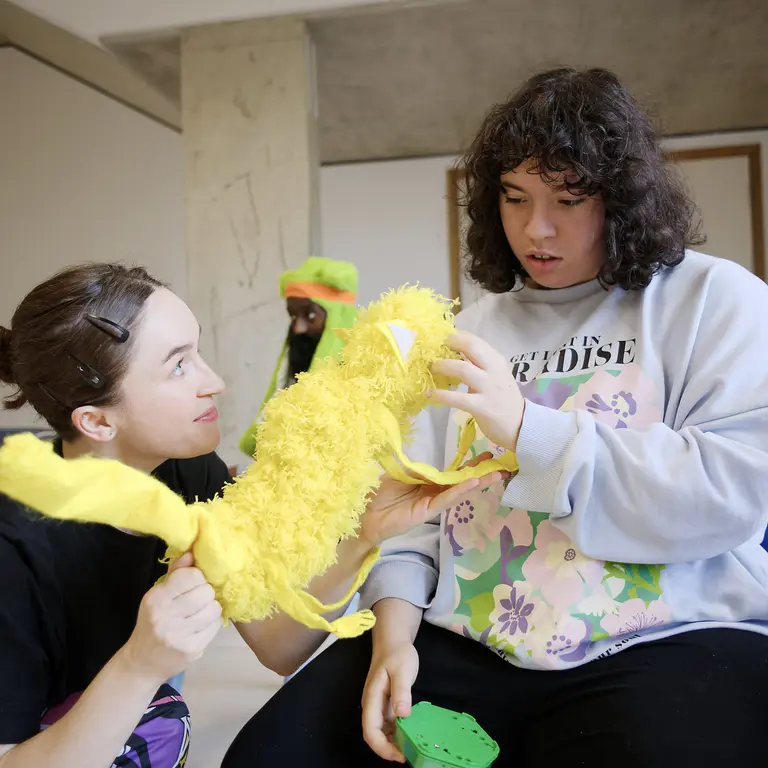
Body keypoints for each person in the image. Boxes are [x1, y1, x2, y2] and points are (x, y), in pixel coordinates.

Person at [222, 67, 768, 768]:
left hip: (670, 633)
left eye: (568, 199)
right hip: (468, 637)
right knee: (269, 755)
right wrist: (394, 637)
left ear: (625, 199)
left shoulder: (714, 300)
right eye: (514, 197)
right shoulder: (474, 326)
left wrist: (529, 429)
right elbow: (413, 516)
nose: (535, 229)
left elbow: (733, 493)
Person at [0, 263, 480, 767]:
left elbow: (278, 646)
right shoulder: (14, 553)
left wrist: (361, 537)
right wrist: (140, 667)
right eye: (178, 366)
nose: (217, 383)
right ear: (97, 421)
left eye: (197, 353)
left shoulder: (189, 473)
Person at [239, 256, 359, 459]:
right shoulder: (293, 378)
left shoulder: (371, 381)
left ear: (338, 320)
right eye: (293, 317)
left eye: (311, 316)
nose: (298, 328)